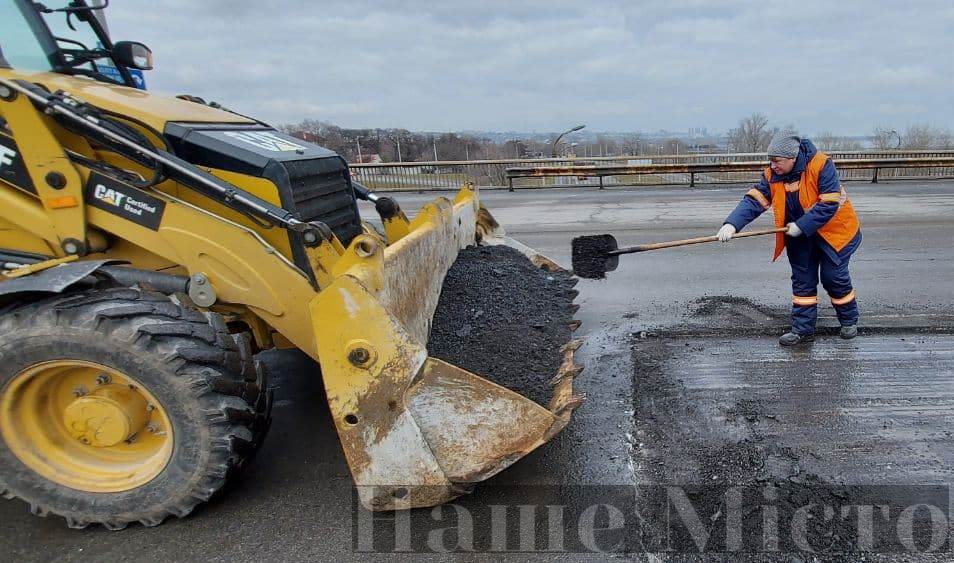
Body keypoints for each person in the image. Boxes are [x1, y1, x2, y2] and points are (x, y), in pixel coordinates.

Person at [716, 131, 861, 346]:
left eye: (777, 161)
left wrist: (802, 225)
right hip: (798, 236)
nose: (773, 166)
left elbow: (829, 204)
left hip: (834, 234)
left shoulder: (821, 165)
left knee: (833, 278)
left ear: (793, 158)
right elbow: (754, 201)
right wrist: (731, 224)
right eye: (770, 161)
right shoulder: (772, 175)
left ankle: (849, 320)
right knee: (803, 282)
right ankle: (803, 330)